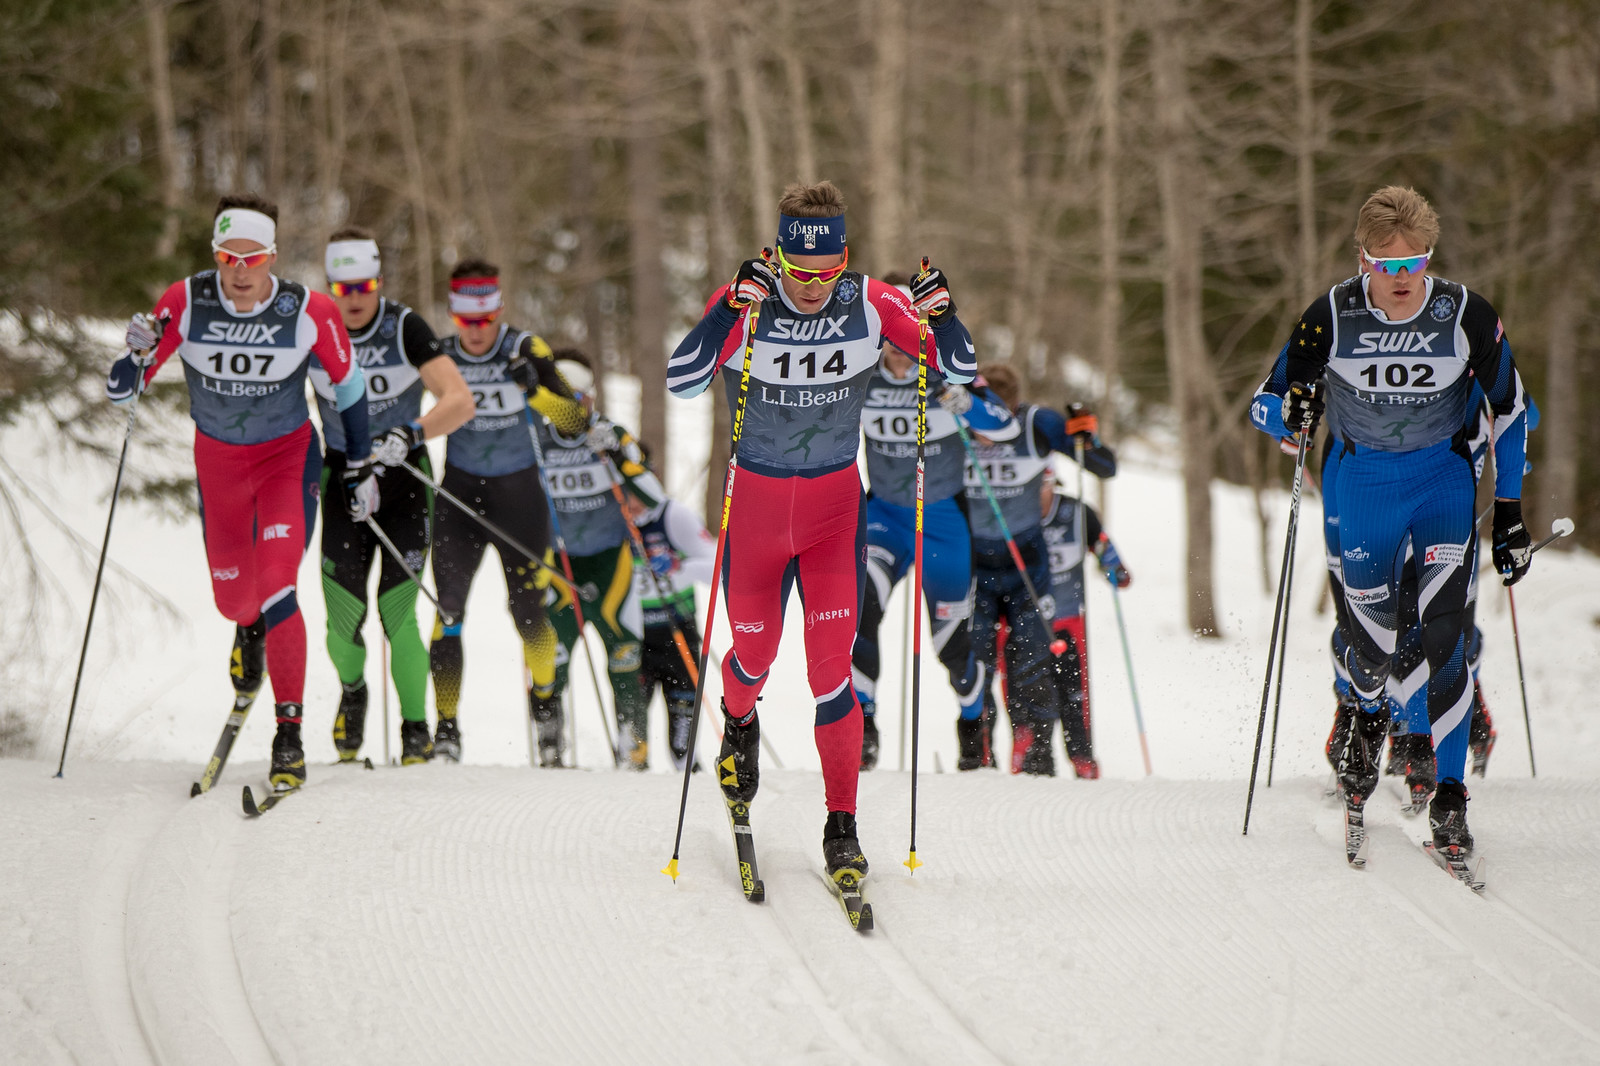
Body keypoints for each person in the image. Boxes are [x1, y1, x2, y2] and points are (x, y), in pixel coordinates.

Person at [667, 179, 976, 886]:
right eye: (798, 273)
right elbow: (681, 380)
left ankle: (843, 826)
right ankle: (738, 724)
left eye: (826, 273)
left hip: (836, 511)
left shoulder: (872, 302)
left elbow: (958, 368)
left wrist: (945, 316)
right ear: (777, 255)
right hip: (757, 510)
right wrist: (727, 317)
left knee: (832, 671)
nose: (810, 288)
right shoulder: (746, 299)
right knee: (753, 654)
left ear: (846, 258)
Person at [1255, 184, 1531, 858]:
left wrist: (1512, 512)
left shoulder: (1465, 314)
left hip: (1440, 481)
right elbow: (1267, 405)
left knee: (1445, 635)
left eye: (1415, 265)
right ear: (1364, 260)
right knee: (1374, 649)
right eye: (1388, 266)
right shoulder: (1332, 316)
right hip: (1364, 482)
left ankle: (1450, 795)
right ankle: (1361, 705)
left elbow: (1515, 409)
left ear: (1429, 261)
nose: (1402, 280)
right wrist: (1290, 420)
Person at [106, 194, 373, 791]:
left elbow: (349, 389)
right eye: (229, 257)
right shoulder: (185, 302)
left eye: (253, 258)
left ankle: (289, 735)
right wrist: (135, 355)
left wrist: (359, 465)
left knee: (280, 582)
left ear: (273, 256)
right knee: (235, 600)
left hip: (285, 462)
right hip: (219, 465)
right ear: (216, 257)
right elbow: (126, 391)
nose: (240, 271)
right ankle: (246, 627)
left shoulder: (308, 311)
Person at [308, 227, 474, 766]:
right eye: (343, 287)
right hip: (341, 478)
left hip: (404, 478)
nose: (355, 298)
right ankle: (354, 692)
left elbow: (460, 400)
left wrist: (414, 432)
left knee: (396, 613)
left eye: (366, 284)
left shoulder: (404, 326)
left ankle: (413, 727)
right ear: (330, 285)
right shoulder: (310, 328)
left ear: (379, 280)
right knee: (341, 621)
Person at [853, 273, 1019, 771]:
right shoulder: (862, 373)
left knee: (951, 642)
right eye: (891, 341)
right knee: (859, 607)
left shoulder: (947, 369)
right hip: (882, 514)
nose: (899, 354)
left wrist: (962, 400)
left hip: (942, 519)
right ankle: (863, 725)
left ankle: (973, 723)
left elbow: (1005, 427)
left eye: (908, 341)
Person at [427, 260, 589, 761]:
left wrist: (535, 390)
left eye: (485, 320)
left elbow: (575, 421)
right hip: (458, 499)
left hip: (519, 500)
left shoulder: (525, 348)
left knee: (528, 615)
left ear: (498, 312)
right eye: (464, 321)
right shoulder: (441, 354)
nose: (476, 333)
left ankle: (545, 709)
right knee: (448, 607)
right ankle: (446, 729)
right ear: (453, 316)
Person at [966, 363, 1115, 776]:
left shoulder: (1037, 424)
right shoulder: (958, 419)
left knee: (1031, 659)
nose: (990, 430)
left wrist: (1087, 436)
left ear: (1014, 408)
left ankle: (1036, 755)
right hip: (975, 563)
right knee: (975, 661)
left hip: (1025, 563)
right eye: (983, 416)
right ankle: (978, 751)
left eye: (1001, 417)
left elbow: (1104, 466)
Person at [528, 351, 666, 769]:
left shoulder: (611, 435)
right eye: (565, 398)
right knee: (551, 661)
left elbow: (654, 499)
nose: (575, 408)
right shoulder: (535, 439)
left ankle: (634, 749)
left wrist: (621, 458)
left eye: (581, 398)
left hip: (612, 566)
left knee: (625, 658)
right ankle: (549, 744)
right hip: (558, 566)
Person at [624, 443, 717, 771]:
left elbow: (719, 567)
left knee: (682, 748)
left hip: (677, 631)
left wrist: (678, 566)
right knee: (632, 745)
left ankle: (688, 784)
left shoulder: (672, 515)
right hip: (633, 635)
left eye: (634, 494)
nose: (629, 503)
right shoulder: (615, 519)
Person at [1038, 470, 1130, 779]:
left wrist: (1113, 566)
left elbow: (1101, 545)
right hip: (1024, 623)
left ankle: (1083, 759)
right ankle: (1033, 765)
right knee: (1029, 698)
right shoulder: (1011, 509)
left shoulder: (1076, 513)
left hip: (1068, 619)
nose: (1039, 493)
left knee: (1073, 695)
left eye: (1044, 485)